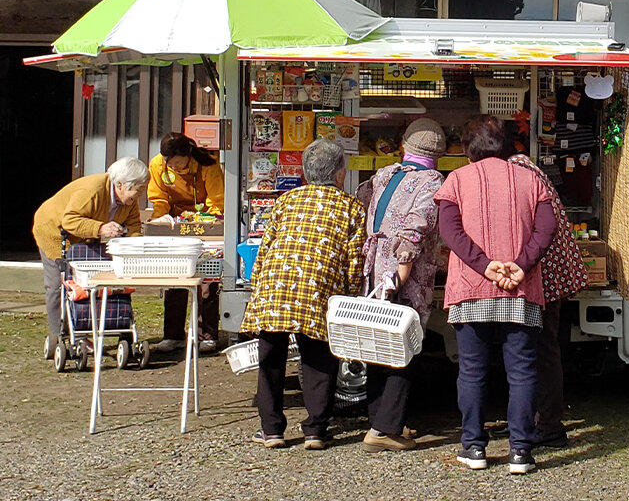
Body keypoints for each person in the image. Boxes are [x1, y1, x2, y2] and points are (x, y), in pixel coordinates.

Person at [435, 114, 557, 476]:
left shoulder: (455, 180)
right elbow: (546, 227)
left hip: (470, 289)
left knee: (472, 371)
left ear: (468, 148)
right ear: (507, 145)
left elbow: (449, 230)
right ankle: (521, 451)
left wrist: (483, 265)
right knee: (521, 371)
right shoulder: (531, 179)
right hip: (520, 290)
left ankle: (473, 447)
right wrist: (521, 264)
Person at [240, 137, 365, 450]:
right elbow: (354, 260)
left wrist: (257, 285)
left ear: (306, 174)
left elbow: (266, 246)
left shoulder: (286, 201)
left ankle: (271, 430)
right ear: (340, 174)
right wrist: (350, 296)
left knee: (270, 356)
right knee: (318, 357)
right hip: (318, 289)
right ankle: (315, 430)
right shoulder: (351, 206)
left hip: (275, 286)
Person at [357, 118, 446, 453]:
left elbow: (363, 195)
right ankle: (384, 430)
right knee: (403, 347)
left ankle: (379, 419)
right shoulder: (431, 181)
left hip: (374, 268)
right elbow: (415, 228)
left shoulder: (385, 174)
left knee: (379, 346)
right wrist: (401, 272)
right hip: (402, 276)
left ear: (405, 145)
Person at [508, 153, 589, 448]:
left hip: (543, 275)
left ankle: (549, 425)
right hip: (549, 272)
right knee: (536, 350)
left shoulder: (517, 174)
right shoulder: (526, 168)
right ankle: (530, 420)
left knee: (540, 351)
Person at [33, 157, 149, 351]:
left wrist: (131, 248)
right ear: (120, 184)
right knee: (59, 285)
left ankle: (87, 329)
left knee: (93, 283)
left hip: (85, 237)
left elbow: (134, 226)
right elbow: (69, 220)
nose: (141, 194)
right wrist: (101, 228)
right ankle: (61, 335)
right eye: (139, 188)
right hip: (54, 231)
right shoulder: (92, 191)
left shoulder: (128, 200)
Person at [147, 132, 225, 353]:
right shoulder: (158, 165)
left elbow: (217, 199)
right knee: (175, 277)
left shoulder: (207, 164)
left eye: (179, 164)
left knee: (207, 278)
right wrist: (161, 221)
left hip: (206, 220)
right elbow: (159, 197)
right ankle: (173, 335)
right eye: (170, 164)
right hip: (175, 222)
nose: (175, 168)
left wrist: (209, 223)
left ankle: (207, 335)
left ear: (189, 155)